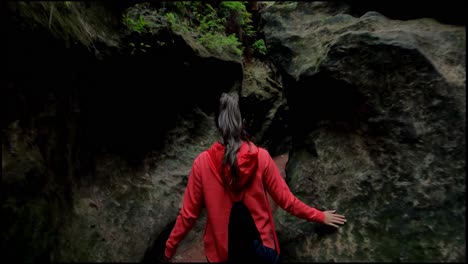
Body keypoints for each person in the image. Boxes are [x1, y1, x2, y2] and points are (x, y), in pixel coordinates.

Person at [163, 92, 346, 263]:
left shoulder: (202, 163)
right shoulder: (261, 158)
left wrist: (170, 248)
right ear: (243, 121)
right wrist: (320, 216)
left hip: (222, 253)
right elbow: (286, 201)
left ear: (218, 124)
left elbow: (188, 214)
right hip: (260, 251)